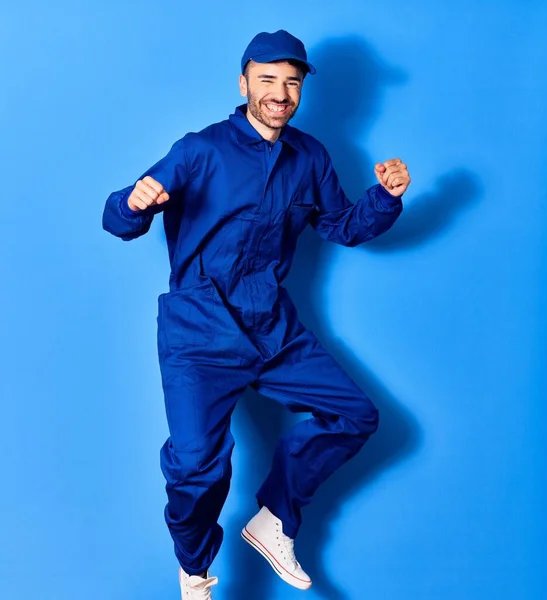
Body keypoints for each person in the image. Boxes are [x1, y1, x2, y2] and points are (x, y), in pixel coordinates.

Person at [102, 29, 410, 599]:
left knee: (356, 416)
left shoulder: (310, 156)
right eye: (267, 79)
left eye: (291, 83)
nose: (280, 93)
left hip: (272, 326)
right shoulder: (201, 149)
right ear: (243, 82)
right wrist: (133, 203)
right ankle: (194, 570)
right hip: (198, 330)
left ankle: (274, 519)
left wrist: (385, 198)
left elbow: (341, 225)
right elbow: (119, 216)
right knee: (198, 466)